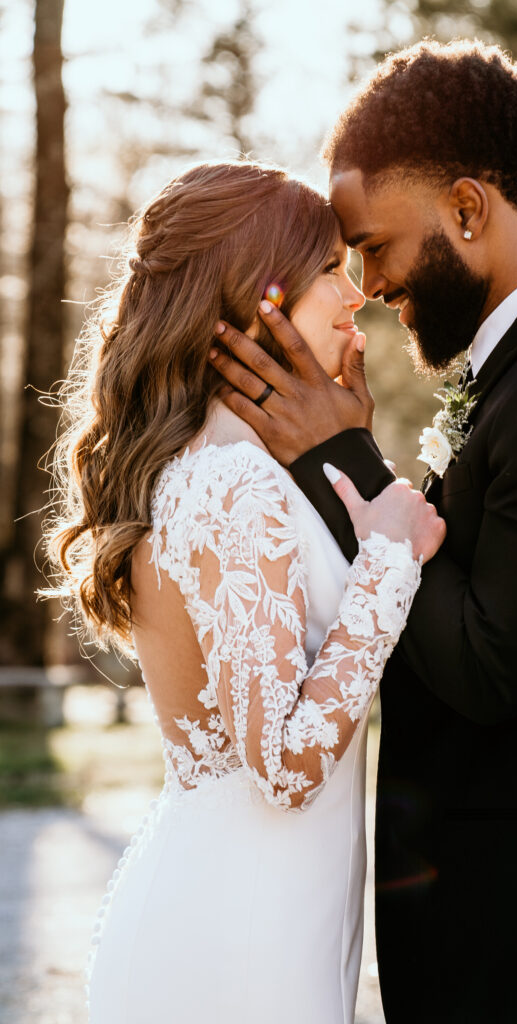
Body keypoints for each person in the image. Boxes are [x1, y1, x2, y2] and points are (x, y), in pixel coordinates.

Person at [208, 41, 517, 1023]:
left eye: (373, 245)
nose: (367, 283)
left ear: (467, 209)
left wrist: (340, 455)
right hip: (512, 928)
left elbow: (484, 662)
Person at [44, 160, 446, 1023]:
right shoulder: (231, 486)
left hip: (247, 908)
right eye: (330, 271)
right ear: (256, 300)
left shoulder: (221, 471)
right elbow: (286, 767)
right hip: (239, 939)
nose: (356, 297)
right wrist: (387, 563)